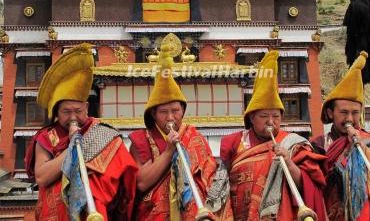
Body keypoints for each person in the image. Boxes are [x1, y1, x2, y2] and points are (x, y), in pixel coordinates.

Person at [25, 43, 138, 220]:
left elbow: (125, 178)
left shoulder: (104, 134)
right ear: (55, 112)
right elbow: (42, 177)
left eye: (78, 111)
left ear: (86, 108)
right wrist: (72, 149)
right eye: (66, 112)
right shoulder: (47, 137)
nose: (73, 117)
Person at [129, 43, 232, 221]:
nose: (170, 117)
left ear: (183, 111)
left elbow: (209, 179)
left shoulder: (195, 138)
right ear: (153, 113)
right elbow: (141, 182)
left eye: (175, 111)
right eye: (163, 112)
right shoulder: (141, 140)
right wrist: (169, 151)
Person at [220, 50, 327, 221]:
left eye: (276, 116)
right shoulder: (233, 142)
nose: (271, 122)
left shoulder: (295, 144)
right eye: (264, 116)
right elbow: (221, 183)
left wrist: (290, 163)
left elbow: (310, 185)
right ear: (251, 118)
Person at [312, 51, 370, 220]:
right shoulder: (319, 145)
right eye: (343, 112)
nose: (349, 119)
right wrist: (347, 152)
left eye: (355, 113)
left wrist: (363, 150)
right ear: (330, 113)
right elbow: (316, 183)